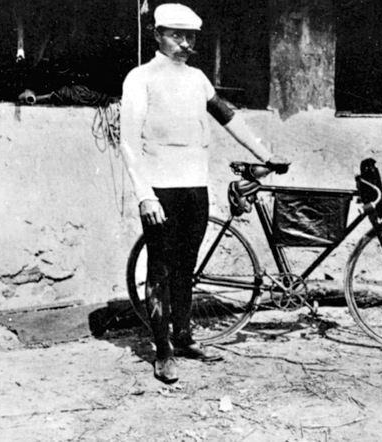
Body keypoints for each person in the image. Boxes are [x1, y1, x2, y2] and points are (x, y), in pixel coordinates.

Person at [120, 3, 289, 384]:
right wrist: (145, 195)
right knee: (161, 268)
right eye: (176, 35)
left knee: (187, 267)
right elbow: (128, 141)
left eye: (190, 37)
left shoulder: (198, 79)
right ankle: (163, 351)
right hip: (160, 188)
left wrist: (264, 155)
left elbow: (228, 116)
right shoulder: (140, 78)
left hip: (194, 186)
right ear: (157, 35)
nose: (184, 43)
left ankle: (183, 337)